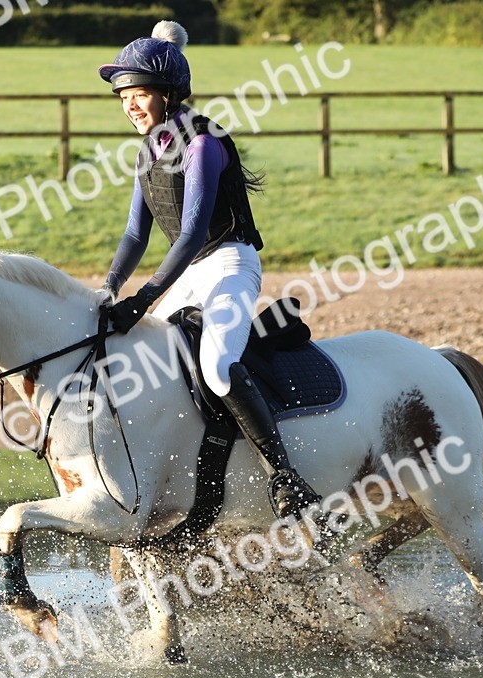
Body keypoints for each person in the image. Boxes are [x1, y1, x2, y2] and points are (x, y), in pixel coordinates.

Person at [97, 20, 325, 524]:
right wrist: (109, 288)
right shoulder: (148, 150)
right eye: (124, 98)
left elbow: (193, 233)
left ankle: (286, 478)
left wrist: (145, 297)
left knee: (218, 366)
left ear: (168, 94)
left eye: (139, 94)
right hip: (189, 273)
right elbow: (135, 235)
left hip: (229, 263)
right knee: (152, 362)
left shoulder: (202, 143)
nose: (130, 105)